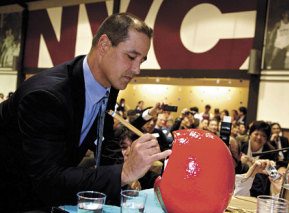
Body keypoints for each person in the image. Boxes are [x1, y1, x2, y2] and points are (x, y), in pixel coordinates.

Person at [0, 13, 171, 212]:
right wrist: (124, 172)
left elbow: (106, 143)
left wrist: (138, 176)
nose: (137, 69)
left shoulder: (109, 85)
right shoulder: (46, 96)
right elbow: (48, 180)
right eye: (131, 57)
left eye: (141, 60)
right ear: (104, 45)